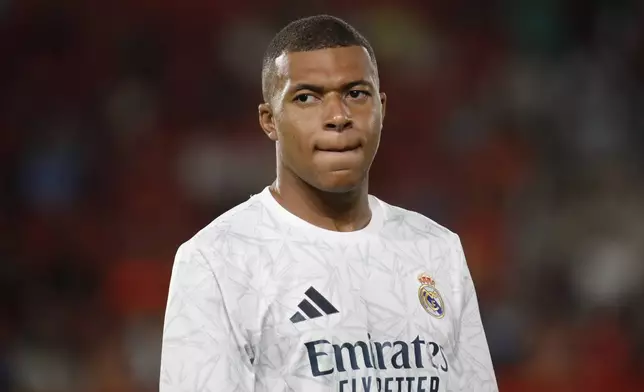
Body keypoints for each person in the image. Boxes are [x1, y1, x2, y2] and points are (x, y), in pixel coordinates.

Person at [160, 14, 498, 392]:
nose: (338, 116)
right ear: (269, 120)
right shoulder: (218, 261)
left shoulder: (437, 250)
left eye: (356, 93)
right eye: (307, 97)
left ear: (382, 108)